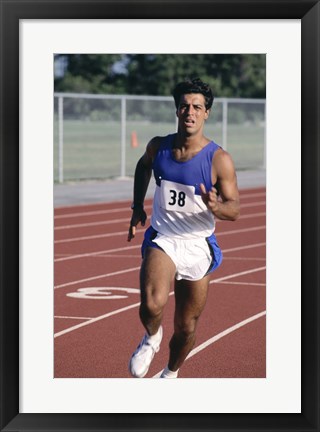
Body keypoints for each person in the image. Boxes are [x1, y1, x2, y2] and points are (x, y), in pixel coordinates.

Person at [127, 77, 240, 378]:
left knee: (186, 325)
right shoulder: (158, 147)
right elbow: (143, 166)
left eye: (197, 107)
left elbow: (235, 208)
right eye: (185, 106)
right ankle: (151, 337)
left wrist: (217, 207)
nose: (190, 112)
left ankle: (171, 373)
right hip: (164, 237)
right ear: (177, 111)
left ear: (206, 113)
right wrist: (137, 206)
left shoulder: (219, 159)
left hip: (197, 243)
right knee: (152, 304)